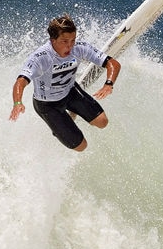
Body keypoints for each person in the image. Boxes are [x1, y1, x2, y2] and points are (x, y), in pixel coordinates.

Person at [9, 14, 121, 152]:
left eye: (73, 40)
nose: (70, 45)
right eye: (64, 41)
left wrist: (109, 84)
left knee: (103, 122)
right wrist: (17, 103)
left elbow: (113, 63)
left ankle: (72, 109)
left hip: (70, 91)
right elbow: (20, 82)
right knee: (81, 146)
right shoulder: (40, 58)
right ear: (53, 40)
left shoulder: (79, 47)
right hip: (47, 106)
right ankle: (58, 127)